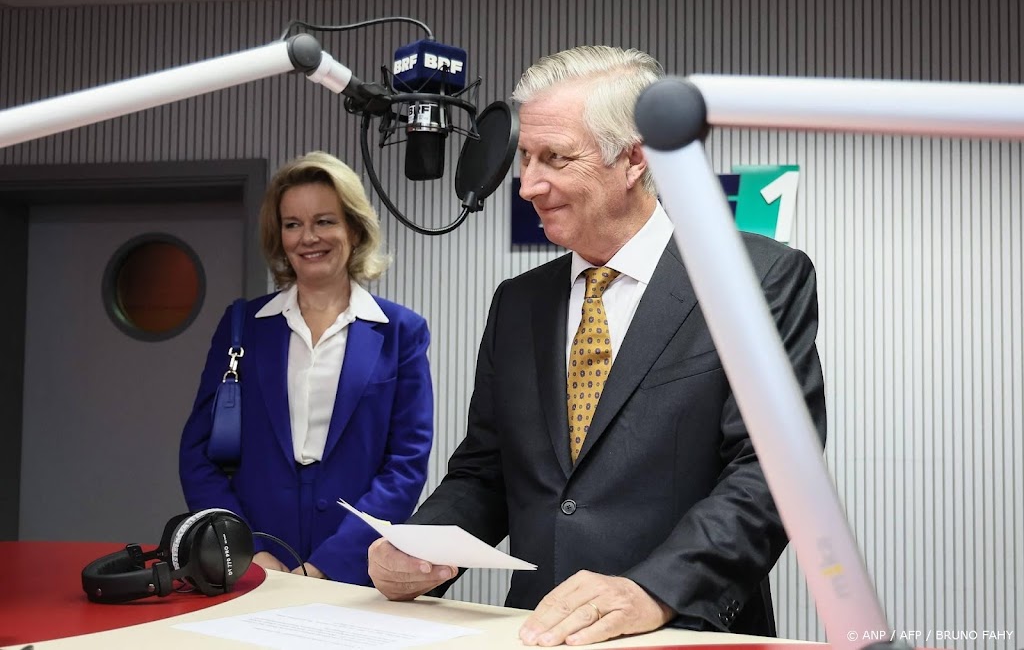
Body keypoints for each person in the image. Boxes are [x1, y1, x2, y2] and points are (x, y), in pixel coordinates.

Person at [367, 45, 827, 646]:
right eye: (525, 158)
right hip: (538, 629)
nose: (528, 185)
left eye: (555, 158)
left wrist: (653, 590)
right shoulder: (518, 302)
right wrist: (420, 546)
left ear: (633, 158)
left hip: (680, 629)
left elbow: (771, 475)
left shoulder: (755, 278)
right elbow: (486, 471)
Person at [180, 151, 433, 584]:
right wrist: (244, 548)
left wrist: (330, 564)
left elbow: (405, 464)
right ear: (279, 236)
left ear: (354, 228)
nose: (308, 237)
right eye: (292, 224)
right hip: (255, 555)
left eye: (325, 221)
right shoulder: (242, 325)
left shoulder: (400, 331)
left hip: (355, 556)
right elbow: (198, 454)